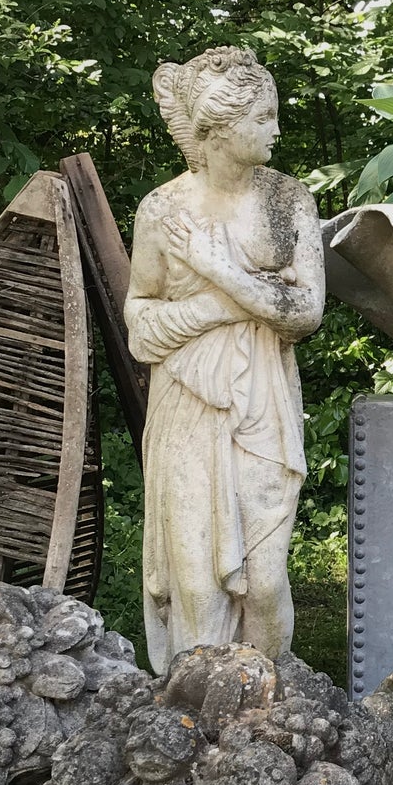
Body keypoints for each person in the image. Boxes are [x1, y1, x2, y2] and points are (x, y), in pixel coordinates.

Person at [125, 46, 323, 672]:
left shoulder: (289, 200)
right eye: (263, 117)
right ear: (219, 128)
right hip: (186, 406)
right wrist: (226, 304)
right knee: (198, 586)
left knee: (265, 582)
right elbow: (140, 325)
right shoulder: (162, 210)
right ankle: (193, 709)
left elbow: (305, 312)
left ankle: (270, 701)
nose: (277, 129)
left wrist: (218, 270)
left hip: (263, 402)